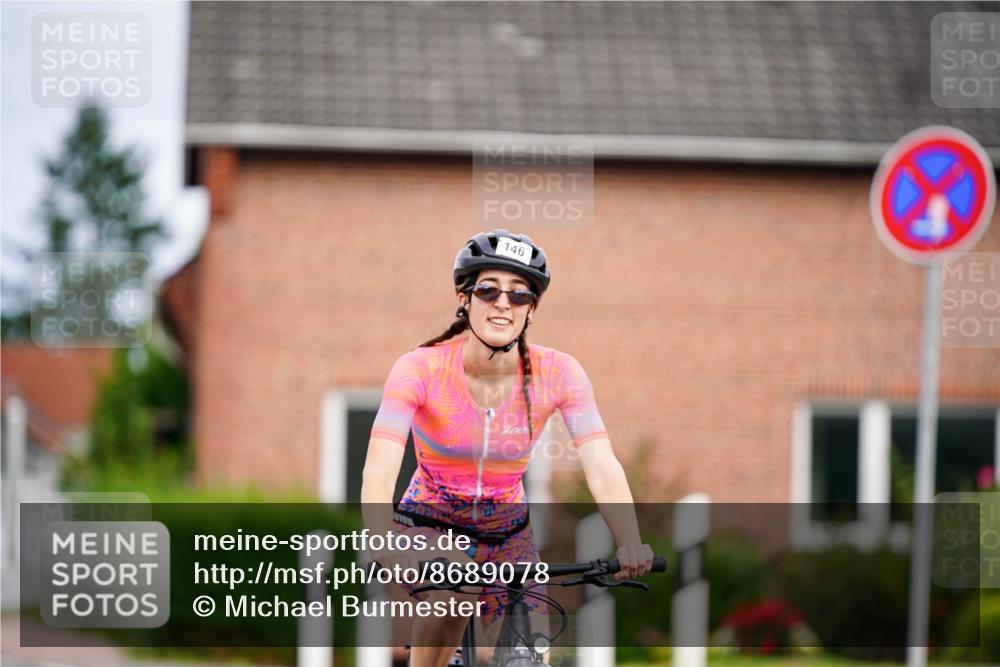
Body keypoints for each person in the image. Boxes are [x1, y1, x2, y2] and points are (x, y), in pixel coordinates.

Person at [361, 229, 653, 667]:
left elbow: (600, 462)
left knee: (529, 656)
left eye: (519, 295)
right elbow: (380, 468)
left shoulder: (559, 373)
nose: (503, 303)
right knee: (454, 593)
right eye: (489, 290)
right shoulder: (419, 369)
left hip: (510, 536)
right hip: (428, 523)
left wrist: (629, 540)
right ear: (465, 297)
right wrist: (379, 535)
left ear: (531, 309)